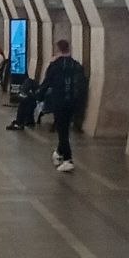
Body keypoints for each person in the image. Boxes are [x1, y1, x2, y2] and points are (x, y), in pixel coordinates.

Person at [36, 39, 87, 172]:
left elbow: (47, 83)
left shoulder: (55, 66)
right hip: (73, 102)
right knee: (64, 128)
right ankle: (59, 152)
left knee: (62, 131)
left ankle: (68, 160)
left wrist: (39, 96)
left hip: (60, 102)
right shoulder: (76, 65)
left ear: (58, 50)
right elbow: (82, 84)